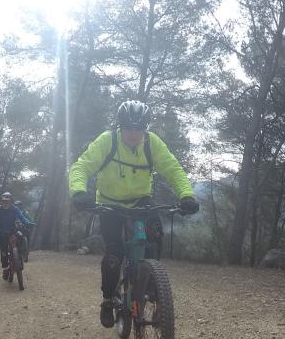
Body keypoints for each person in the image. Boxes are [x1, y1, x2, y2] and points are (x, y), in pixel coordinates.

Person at [68, 100, 199, 327]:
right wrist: (79, 191)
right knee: (114, 253)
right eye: (128, 128)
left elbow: (173, 169)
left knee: (155, 236)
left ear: (145, 128)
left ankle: (153, 288)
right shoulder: (107, 140)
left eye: (139, 128)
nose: (133, 133)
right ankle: (108, 299)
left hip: (140, 201)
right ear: (121, 126)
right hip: (109, 204)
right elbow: (82, 166)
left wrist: (186, 195)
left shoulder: (151, 143)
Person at [0, 192, 36, 279]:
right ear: (1, 201)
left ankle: (19, 259)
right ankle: (5, 268)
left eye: (8, 201)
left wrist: (28, 223)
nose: (6, 203)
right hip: (1, 232)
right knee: (4, 252)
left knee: (21, 238)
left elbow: (22, 217)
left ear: (11, 201)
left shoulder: (15, 209)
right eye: (4, 201)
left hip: (13, 231)